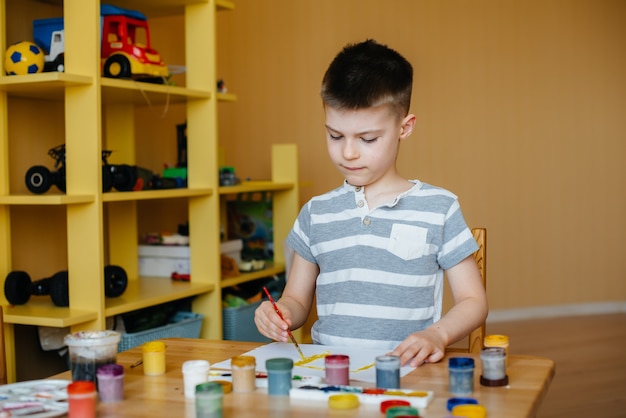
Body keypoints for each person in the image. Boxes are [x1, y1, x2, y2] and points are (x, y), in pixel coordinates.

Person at [254, 39, 488, 367]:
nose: (348, 152)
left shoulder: (439, 208)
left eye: (367, 139)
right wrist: (278, 314)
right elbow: (295, 300)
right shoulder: (316, 214)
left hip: (405, 373)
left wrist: (438, 334)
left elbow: (473, 301)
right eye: (335, 136)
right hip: (330, 374)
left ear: (404, 128)